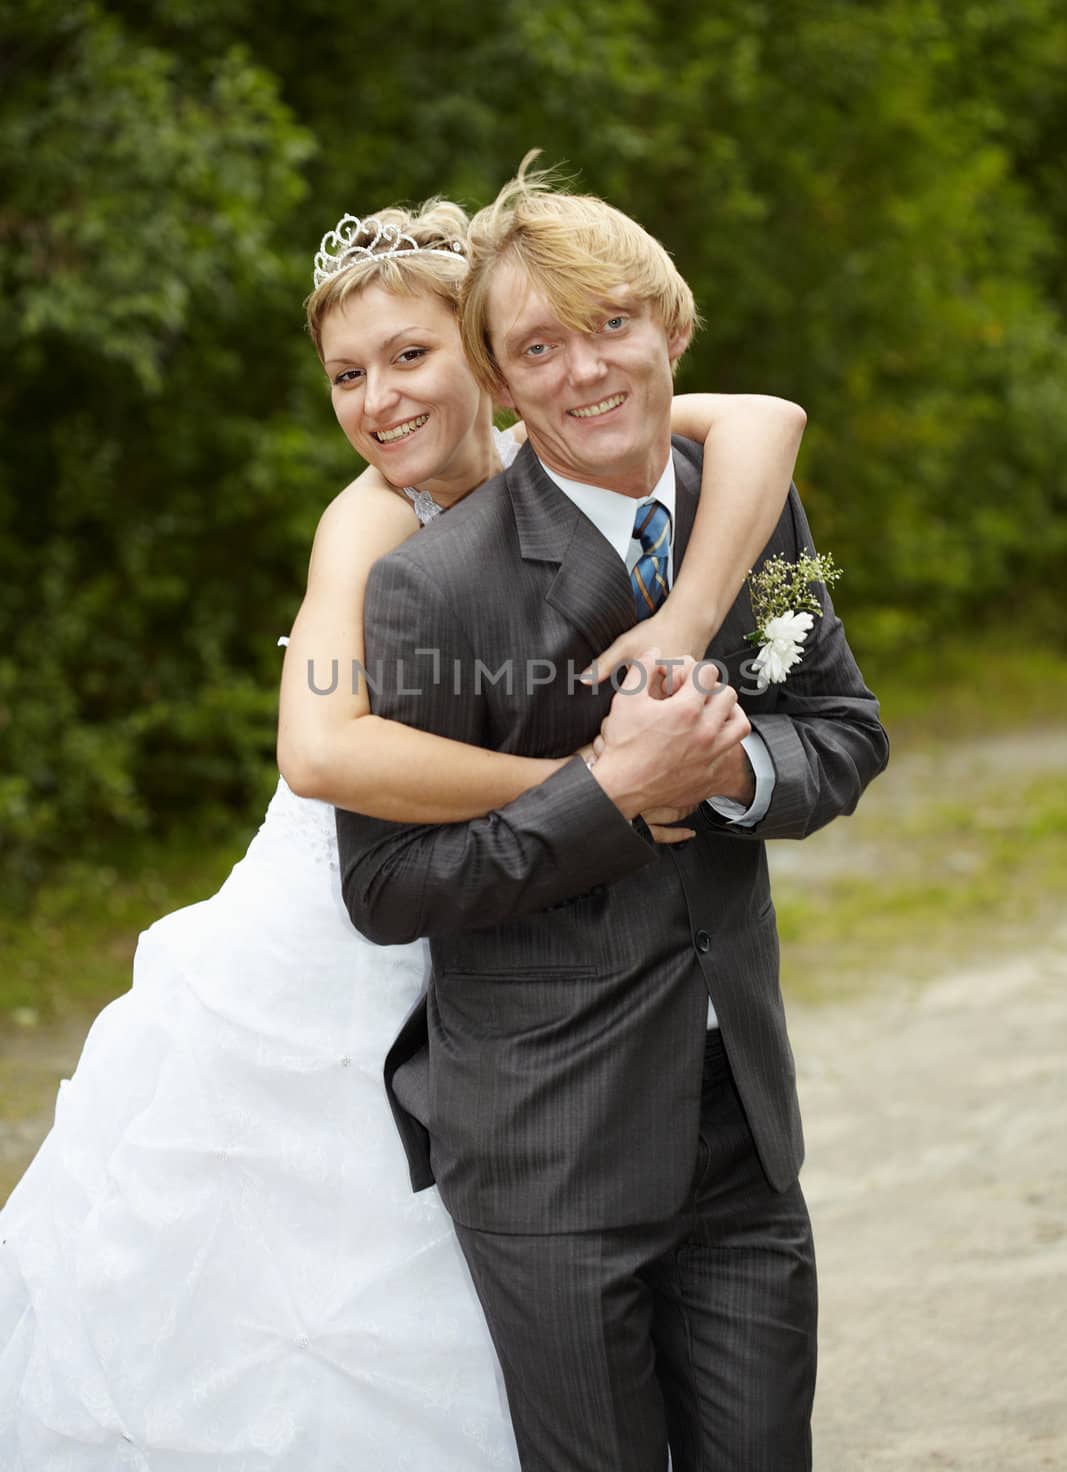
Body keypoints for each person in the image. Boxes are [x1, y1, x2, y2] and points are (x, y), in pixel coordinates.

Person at [0, 194, 807, 1470]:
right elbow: (322, 748)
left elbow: (764, 420)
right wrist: (590, 777)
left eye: (410, 356)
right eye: (345, 374)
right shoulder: (368, 522)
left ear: (485, 363)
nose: (377, 401)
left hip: (511, 951)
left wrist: (693, 608)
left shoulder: (566, 443)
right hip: (339, 940)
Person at [335, 162, 891, 1472]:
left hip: (737, 1135)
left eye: (610, 324)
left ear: (670, 326)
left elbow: (841, 727)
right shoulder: (428, 590)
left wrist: (733, 775)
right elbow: (386, 887)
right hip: (549, 1153)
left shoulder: (743, 512)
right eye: (536, 346)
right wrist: (607, 797)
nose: (585, 372)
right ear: (500, 380)